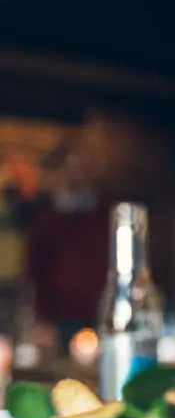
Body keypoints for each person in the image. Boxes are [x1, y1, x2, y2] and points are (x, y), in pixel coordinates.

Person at [23, 147, 112, 356]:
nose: (77, 175)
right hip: (58, 320)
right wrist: (41, 320)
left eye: (82, 168)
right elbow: (33, 271)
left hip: (99, 316)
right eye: (72, 168)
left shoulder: (105, 217)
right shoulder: (47, 221)